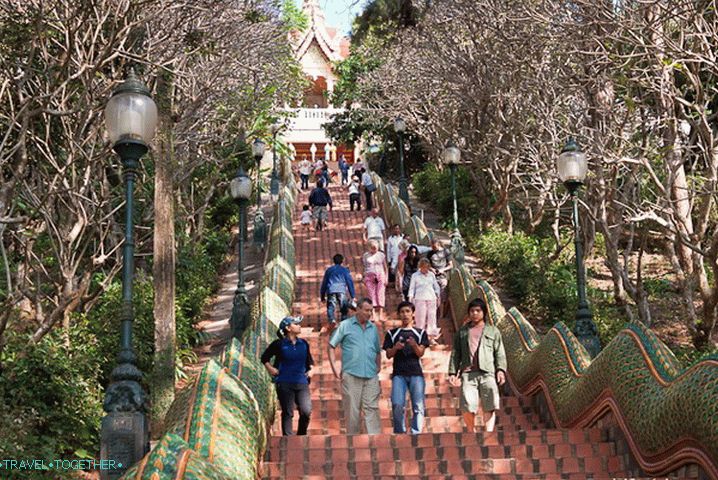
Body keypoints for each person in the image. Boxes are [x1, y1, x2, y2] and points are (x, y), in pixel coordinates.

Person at [447, 297, 507, 433]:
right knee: (467, 404)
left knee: (489, 403)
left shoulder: (493, 331)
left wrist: (500, 370)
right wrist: (452, 372)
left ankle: (489, 432)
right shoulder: (462, 332)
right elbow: (456, 353)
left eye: (478, 310)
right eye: (472, 311)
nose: (474, 313)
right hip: (468, 373)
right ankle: (471, 431)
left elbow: (500, 352)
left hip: (488, 372)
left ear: (484, 313)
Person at [328, 298, 382, 435]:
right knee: (352, 409)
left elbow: (377, 350)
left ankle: (374, 439)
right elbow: (331, 346)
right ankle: (353, 439)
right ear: (357, 309)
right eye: (366, 310)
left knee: (372, 407)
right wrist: (335, 368)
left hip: (371, 374)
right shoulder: (345, 325)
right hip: (351, 374)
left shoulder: (373, 328)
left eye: (371, 310)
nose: (369, 313)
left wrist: (378, 366)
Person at [261, 316, 314, 436]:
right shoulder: (279, 344)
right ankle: (288, 439)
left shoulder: (303, 343)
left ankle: (301, 435)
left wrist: (311, 370)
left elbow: (309, 362)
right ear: (288, 328)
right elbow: (264, 358)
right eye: (296, 324)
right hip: (284, 382)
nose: (299, 325)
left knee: (306, 411)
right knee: (288, 412)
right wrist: (271, 369)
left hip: (301, 381)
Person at [383, 301, 429, 434]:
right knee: (397, 404)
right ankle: (399, 432)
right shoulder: (392, 334)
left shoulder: (420, 333)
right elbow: (388, 354)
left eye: (408, 311)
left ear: (413, 314)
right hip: (399, 374)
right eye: (402, 312)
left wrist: (414, 345)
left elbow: (421, 353)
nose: (405, 315)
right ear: (398, 314)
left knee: (418, 405)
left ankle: (416, 433)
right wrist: (396, 348)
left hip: (416, 373)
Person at [408, 258, 441, 344]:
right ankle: (420, 337)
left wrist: (438, 295)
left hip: (431, 298)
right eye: (424, 267)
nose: (425, 269)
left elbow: (436, 286)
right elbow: (412, 288)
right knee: (420, 318)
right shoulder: (415, 275)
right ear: (420, 267)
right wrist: (410, 299)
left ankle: (431, 338)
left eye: (427, 267)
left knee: (432, 318)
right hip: (420, 298)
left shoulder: (431, 275)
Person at [320, 253, 356, 329]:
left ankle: (332, 320)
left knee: (331, 306)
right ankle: (343, 322)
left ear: (334, 261)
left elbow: (324, 283)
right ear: (342, 261)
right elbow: (349, 282)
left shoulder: (329, 270)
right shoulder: (345, 270)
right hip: (341, 290)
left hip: (331, 290)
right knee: (343, 308)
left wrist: (322, 296)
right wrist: (352, 295)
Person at [361, 240, 388, 323]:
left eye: (375, 248)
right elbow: (364, 267)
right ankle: (372, 314)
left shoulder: (381, 255)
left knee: (380, 294)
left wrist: (386, 277)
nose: (374, 249)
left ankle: (380, 313)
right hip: (369, 275)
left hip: (380, 275)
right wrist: (363, 277)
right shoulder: (366, 256)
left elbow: (385, 267)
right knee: (371, 295)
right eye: (372, 248)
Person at [427, 237, 453, 318]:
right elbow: (427, 265)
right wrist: (432, 269)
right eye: (432, 247)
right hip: (432, 277)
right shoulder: (430, 253)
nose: (433, 248)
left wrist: (443, 269)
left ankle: (441, 315)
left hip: (443, 277)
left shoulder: (446, 252)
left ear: (438, 245)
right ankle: (434, 314)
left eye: (434, 247)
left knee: (442, 297)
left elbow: (451, 265)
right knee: (433, 296)